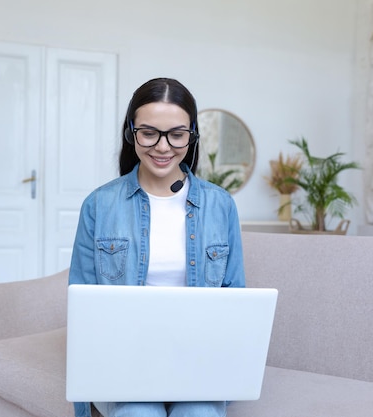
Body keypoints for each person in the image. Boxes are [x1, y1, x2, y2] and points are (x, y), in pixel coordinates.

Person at [68, 77, 246, 417]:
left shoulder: (220, 206)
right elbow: (83, 306)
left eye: (177, 134)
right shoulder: (100, 204)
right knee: (139, 412)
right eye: (149, 133)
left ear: (192, 135)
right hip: (122, 360)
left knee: (200, 413)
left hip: (198, 359)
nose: (163, 147)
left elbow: (235, 301)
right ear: (130, 133)